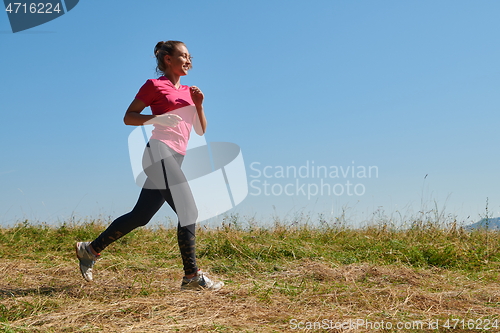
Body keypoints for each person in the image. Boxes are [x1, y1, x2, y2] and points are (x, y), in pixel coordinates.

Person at [76, 40, 223, 291]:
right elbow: (128, 117)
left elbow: (200, 130)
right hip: (158, 152)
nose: (189, 61)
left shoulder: (190, 91)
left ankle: (89, 250)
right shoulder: (154, 86)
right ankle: (191, 277)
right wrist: (158, 118)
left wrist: (199, 105)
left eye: (190, 57)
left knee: (141, 216)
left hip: (176, 156)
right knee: (189, 211)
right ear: (168, 59)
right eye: (183, 56)